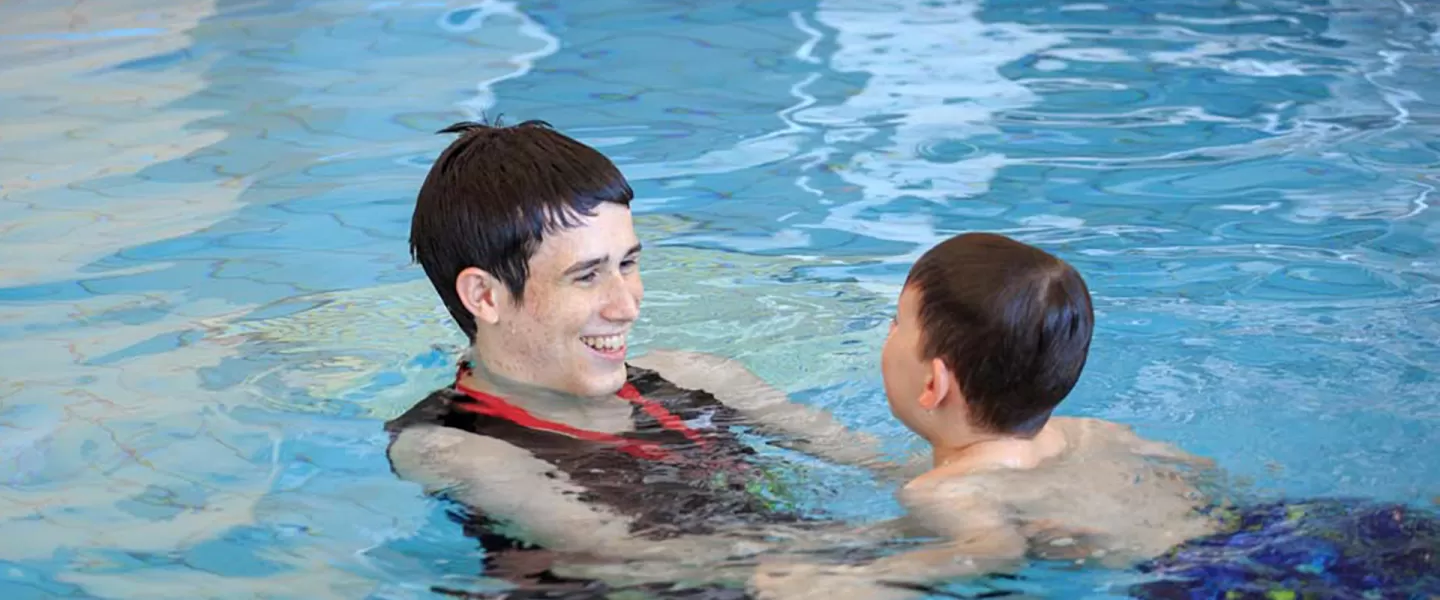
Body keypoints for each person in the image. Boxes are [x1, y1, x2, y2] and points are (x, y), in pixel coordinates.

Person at [384, 119, 919, 598]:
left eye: (629, 263)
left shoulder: (698, 380)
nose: (627, 305)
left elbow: (881, 467)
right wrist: (915, 554)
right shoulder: (449, 444)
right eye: (587, 275)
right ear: (485, 296)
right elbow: (624, 552)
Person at [750, 232, 1440, 600]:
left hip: (1209, 585)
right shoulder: (1087, 434)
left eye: (893, 322)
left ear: (934, 384)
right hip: (1281, 528)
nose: (885, 336)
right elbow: (1194, 472)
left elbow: (991, 552)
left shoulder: (945, 490)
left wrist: (856, 580)